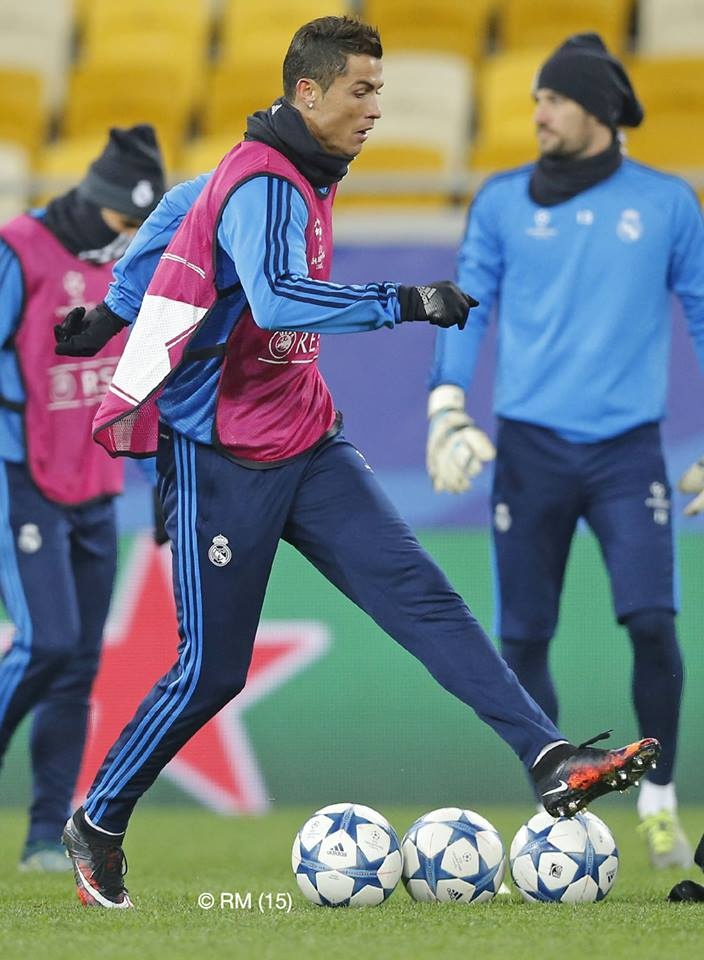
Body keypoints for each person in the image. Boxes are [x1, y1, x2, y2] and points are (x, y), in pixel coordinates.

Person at [55, 17, 659, 909]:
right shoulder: (265, 180)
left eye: (380, 90)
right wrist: (404, 299)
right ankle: (98, 821)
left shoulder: (292, 170)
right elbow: (275, 296)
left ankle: (550, 759)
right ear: (308, 93)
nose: (377, 109)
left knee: (425, 598)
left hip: (306, 438)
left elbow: (183, 207)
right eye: (361, 90)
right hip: (220, 453)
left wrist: (113, 310)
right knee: (211, 670)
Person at [426, 33, 704, 870]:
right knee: (523, 640)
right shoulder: (501, 201)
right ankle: (560, 802)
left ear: (599, 110)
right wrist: (447, 404)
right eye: (538, 98)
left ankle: (659, 803)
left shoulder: (667, 203)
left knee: (652, 623)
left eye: (554, 98)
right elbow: (466, 302)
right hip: (530, 450)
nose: (538, 112)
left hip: (627, 452)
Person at [0, 125, 166, 871]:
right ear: (97, 200)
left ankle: (43, 836)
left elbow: (143, 375)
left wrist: (160, 477)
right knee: (46, 641)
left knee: (77, 666)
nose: (131, 235)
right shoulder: (19, 250)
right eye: (125, 220)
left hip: (94, 485)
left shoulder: (137, 262)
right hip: (22, 478)